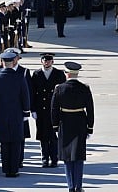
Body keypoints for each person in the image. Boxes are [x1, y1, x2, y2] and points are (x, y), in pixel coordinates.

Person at [51, 62, 94, 192]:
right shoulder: (84, 88)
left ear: (67, 74)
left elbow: (54, 109)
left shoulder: (59, 88)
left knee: (67, 157)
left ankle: (70, 186)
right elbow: (90, 109)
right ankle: (78, 186)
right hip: (80, 122)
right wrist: (90, 127)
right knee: (79, 156)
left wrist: (55, 126)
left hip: (65, 122)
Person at [0, 51, 30, 177]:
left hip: (2, 114)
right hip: (17, 114)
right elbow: (25, 96)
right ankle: (14, 168)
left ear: (2, 62)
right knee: (16, 141)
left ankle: (6, 168)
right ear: (13, 62)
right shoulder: (20, 77)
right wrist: (26, 112)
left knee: (5, 142)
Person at [31, 53, 66, 168]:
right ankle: (45, 159)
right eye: (45, 61)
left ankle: (54, 158)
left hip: (54, 109)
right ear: (41, 61)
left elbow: (62, 92)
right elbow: (32, 93)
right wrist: (33, 109)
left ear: (52, 62)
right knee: (42, 135)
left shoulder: (59, 74)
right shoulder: (36, 74)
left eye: (49, 61)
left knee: (53, 136)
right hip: (41, 109)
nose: (47, 63)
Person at [3, 48, 32, 168]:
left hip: (20, 112)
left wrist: (28, 110)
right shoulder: (1, 72)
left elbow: (29, 92)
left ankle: (19, 159)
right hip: (5, 112)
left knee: (20, 136)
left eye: (15, 57)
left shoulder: (24, 72)